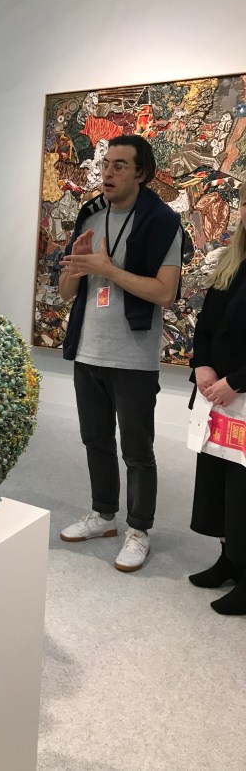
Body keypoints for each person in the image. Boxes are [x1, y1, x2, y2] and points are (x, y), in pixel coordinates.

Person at [58, 134, 183, 571]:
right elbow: (66, 291)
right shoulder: (90, 214)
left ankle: (138, 530)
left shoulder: (162, 221)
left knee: (136, 449)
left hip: (133, 355)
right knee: (95, 440)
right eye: (105, 164)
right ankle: (103, 515)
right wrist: (77, 268)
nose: (107, 173)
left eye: (119, 166)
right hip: (88, 349)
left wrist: (109, 269)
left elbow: (165, 292)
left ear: (141, 173)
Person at [188, 182, 246, 615]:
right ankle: (230, 559)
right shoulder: (233, 259)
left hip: (240, 391)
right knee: (219, 481)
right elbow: (206, 322)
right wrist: (201, 365)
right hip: (219, 395)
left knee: (244, 490)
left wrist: (237, 382)